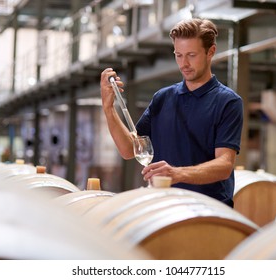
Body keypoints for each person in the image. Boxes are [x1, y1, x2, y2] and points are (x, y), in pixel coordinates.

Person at [100, 18, 243, 207]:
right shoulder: (162, 98)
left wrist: (176, 174)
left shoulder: (228, 102)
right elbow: (129, 149)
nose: (184, 63)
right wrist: (109, 109)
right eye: (178, 55)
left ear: (211, 52)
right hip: (164, 208)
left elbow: (224, 165)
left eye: (191, 55)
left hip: (209, 212)